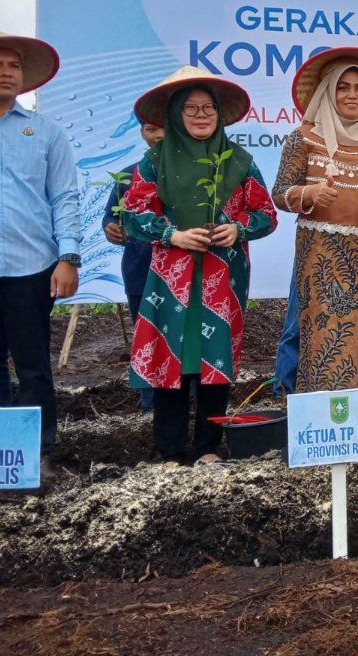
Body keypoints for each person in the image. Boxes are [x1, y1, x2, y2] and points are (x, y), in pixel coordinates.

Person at [124, 66, 277, 465]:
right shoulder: (153, 162)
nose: (201, 115)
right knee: (170, 353)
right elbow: (133, 213)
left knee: (215, 353)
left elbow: (266, 213)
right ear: (175, 114)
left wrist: (237, 229)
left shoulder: (240, 162)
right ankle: (170, 449)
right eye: (190, 108)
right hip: (171, 275)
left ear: (220, 114)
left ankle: (209, 446)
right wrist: (172, 234)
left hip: (222, 276)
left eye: (208, 107)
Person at [272, 48, 358, 398]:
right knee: (325, 339)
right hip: (322, 262)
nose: (353, 95)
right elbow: (279, 193)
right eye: (343, 87)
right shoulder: (304, 138)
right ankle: (318, 417)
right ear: (327, 92)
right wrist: (308, 193)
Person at [0, 28, 78, 465]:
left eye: (14, 65)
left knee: (33, 367)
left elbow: (64, 197)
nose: (7, 72)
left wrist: (67, 257)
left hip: (31, 267)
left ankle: (38, 453)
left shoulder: (46, 131)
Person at [103, 117, 166, 410]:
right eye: (150, 129)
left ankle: (188, 402)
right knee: (146, 340)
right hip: (140, 272)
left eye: (163, 127)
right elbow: (110, 217)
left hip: (186, 274)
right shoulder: (128, 177)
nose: (158, 135)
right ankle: (149, 407)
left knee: (186, 342)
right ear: (141, 133)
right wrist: (111, 227)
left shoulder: (195, 174)